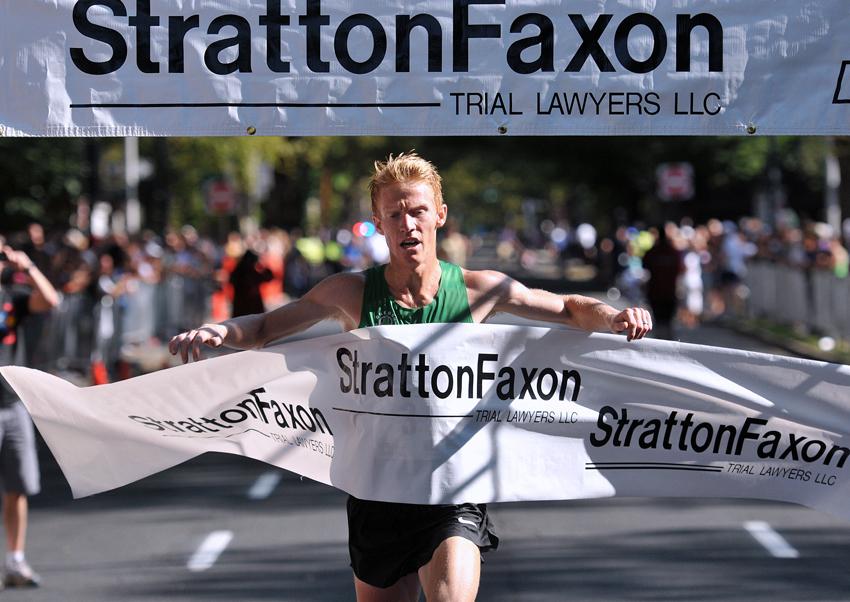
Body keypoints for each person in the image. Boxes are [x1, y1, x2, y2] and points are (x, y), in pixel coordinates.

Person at [169, 153, 652, 602]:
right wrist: (220, 330)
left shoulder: (478, 290)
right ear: (378, 222)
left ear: (439, 214)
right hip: (378, 487)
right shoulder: (350, 293)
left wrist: (613, 317)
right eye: (394, 215)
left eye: (418, 211)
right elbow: (269, 327)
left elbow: (568, 308)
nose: (408, 225)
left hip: (452, 487)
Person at [0, 243, 59, 588]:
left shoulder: (13, 298)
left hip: (12, 403)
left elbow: (51, 301)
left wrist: (29, 265)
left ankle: (15, 560)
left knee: (19, 486)